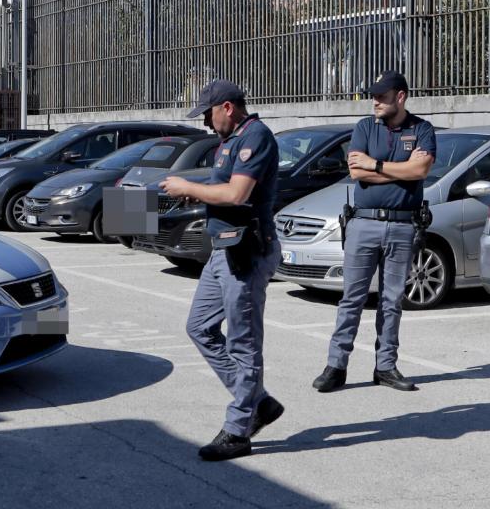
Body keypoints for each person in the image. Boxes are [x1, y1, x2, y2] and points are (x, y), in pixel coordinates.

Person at [161, 79, 283, 462]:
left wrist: (188, 187)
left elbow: (236, 194)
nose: (206, 124)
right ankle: (258, 402)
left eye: (209, 114)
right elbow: (220, 185)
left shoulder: (256, 137)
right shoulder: (228, 141)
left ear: (227, 108)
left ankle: (238, 429)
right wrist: (189, 187)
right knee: (199, 327)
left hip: (246, 251)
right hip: (223, 250)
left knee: (243, 344)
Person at [313, 70, 436, 394]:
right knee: (351, 298)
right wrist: (400, 172)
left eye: (381, 96)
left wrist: (377, 165)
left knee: (392, 300)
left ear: (400, 96)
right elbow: (356, 172)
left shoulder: (421, 128)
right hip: (364, 223)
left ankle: (385, 366)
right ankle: (336, 366)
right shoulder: (365, 127)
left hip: (402, 224)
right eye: (374, 95)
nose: (375, 101)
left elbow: (420, 170)